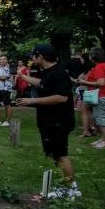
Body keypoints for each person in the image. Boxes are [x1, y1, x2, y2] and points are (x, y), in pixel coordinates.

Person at [16, 43, 80, 199]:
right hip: (49, 121)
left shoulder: (58, 73)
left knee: (61, 154)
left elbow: (61, 97)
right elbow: (42, 84)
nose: (32, 59)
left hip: (58, 121)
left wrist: (32, 101)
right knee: (54, 154)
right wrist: (24, 77)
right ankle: (65, 184)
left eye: (34, 56)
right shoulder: (48, 72)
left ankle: (71, 189)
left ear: (41, 56)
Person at [75, 47, 105, 148]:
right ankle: (103, 139)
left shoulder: (99, 67)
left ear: (92, 57)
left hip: (102, 94)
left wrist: (83, 82)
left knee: (102, 118)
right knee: (103, 117)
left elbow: (100, 82)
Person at [0, 55, 14, 127]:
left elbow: (4, 77)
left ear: (7, 60)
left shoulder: (9, 68)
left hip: (6, 89)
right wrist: (0, 78)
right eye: (1, 59)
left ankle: (8, 121)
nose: (2, 61)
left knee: (7, 105)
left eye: (4, 59)